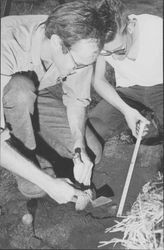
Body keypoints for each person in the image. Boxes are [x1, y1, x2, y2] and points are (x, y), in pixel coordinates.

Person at [0, 1, 105, 202]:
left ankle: (31, 133)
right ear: (57, 43)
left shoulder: (79, 43)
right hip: (12, 91)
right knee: (21, 91)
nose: (81, 69)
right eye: (78, 64)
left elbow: (76, 100)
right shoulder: (6, 43)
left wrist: (79, 145)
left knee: (93, 153)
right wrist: (47, 183)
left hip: (34, 90)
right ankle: (28, 158)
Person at [89, 0, 163, 142]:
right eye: (106, 52)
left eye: (120, 49)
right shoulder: (100, 36)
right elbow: (99, 80)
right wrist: (126, 110)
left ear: (129, 27)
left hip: (161, 87)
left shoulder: (157, 29)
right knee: (94, 128)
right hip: (128, 91)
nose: (115, 56)